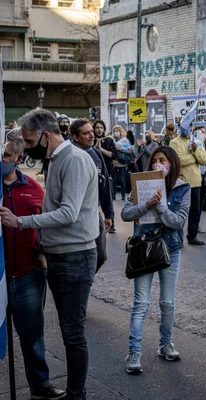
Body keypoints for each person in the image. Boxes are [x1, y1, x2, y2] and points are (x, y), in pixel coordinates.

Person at [0, 109, 98, 400]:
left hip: (74, 257)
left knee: (73, 333)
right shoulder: (56, 159)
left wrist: (21, 222)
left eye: (29, 142)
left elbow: (68, 213)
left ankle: (76, 395)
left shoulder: (75, 160)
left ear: (45, 135)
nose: (26, 149)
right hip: (61, 256)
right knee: (69, 331)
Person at [2, 130, 66, 399]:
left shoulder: (33, 188)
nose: (1, 159)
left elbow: (49, 223)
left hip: (28, 274)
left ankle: (40, 384)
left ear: (18, 158)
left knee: (32, 336)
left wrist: (43, 255)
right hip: (1, 275)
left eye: (5, 155)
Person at [121, 146, 190, 374]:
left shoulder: (182, 188)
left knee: (167, 303)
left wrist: (160, 207)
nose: (158, 164)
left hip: (171, 249)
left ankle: (165, 344)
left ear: (172, 164)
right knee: (141, 302)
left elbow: (179, 222)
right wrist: (145, 205)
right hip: (144, 248)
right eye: (155, 160)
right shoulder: (140, 184)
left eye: (163, 160)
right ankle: (134, 351)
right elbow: (126, 213)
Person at [70, 119, 113, 272]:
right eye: (86, 133)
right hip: (74, 215)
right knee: (78, 255)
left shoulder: (96, 154)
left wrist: (109, 214)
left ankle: (84, 280)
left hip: (95, 213)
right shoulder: (69, 156)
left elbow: (105, 184)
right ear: (75, 137)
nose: (91, 136)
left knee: (100, 256)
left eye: (92, 132)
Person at [169, 125, 206, 245]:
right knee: (178, 212)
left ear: (191, 128)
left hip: (196, 182)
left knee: (195, 211)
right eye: (183, 126)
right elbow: (179, 160)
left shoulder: (196, 141)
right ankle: (176, 237)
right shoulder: (174, 142)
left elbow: (204, 160)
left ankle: (192, 236)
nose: (185, 129)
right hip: (181, 182)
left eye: (188, 126)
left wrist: (196, 151)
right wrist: (194, 156)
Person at [113, 125, 133, 201]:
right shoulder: (112, 140)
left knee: (122, 179)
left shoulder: (125, 140)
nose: (116, 132)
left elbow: (129, 151)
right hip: (114, 163)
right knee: (114, 179)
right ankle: (113, 195)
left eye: (117, 130)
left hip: (122, 163)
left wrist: (120, 149)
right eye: (114, 130)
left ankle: (123, 196)